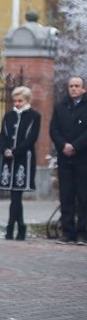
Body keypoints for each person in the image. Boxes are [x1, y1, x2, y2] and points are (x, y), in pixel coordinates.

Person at [50, 75, 87, 243]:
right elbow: (54, 129)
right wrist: (63, 145)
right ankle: (67, 232)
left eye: (77, 86)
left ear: (84, 89)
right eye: (71, 86)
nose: (73, 88)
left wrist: (75, 146)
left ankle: (82, 233)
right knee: (66, 196)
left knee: (83, 196)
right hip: (64, 157)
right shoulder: (60, 107)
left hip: (82, 157)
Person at [0, 86, 40, 241]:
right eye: (15, 100)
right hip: (8, 159)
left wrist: (15, 151)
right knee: (13, 196)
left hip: (24, 159)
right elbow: (3, 135)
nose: (16, 103)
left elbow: (31, 139)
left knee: (16, 196)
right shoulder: (9, 115)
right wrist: (5, 149)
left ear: (27, 100)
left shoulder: (34, 116)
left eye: (20, 101)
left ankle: (12, 228)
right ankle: (19, 228)